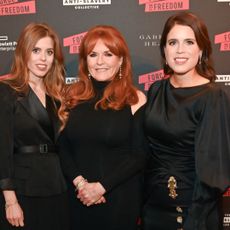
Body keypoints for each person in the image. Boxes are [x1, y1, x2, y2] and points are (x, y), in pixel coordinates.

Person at [141, 12, 230, 230]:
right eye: (173, 42)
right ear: (164, 49)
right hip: (153, 208)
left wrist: (194, 220)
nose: (180, 50)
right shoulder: (156, 90)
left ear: (201, 50)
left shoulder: (212, 96)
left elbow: (215, 170)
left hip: (192, 212)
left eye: (189, 42)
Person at [58, 25, 147, 230]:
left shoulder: (135, 99)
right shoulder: (72, 97)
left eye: (108, 54)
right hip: (78, 197)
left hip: (119, 199)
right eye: (93, 54)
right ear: (85, 60)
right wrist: (81, 185)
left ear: (121, 59)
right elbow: (63, 147)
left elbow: (139, 155)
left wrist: (101, 188)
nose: (99, 62)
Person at [0, 22, 69, 230]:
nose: (43, 58)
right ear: (24, 51)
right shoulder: (7, 91)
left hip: (57, 186)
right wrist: (10, 201)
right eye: (36, 50)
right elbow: (2, 150)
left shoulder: (57, 95)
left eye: (49, 52)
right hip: (23, 190)